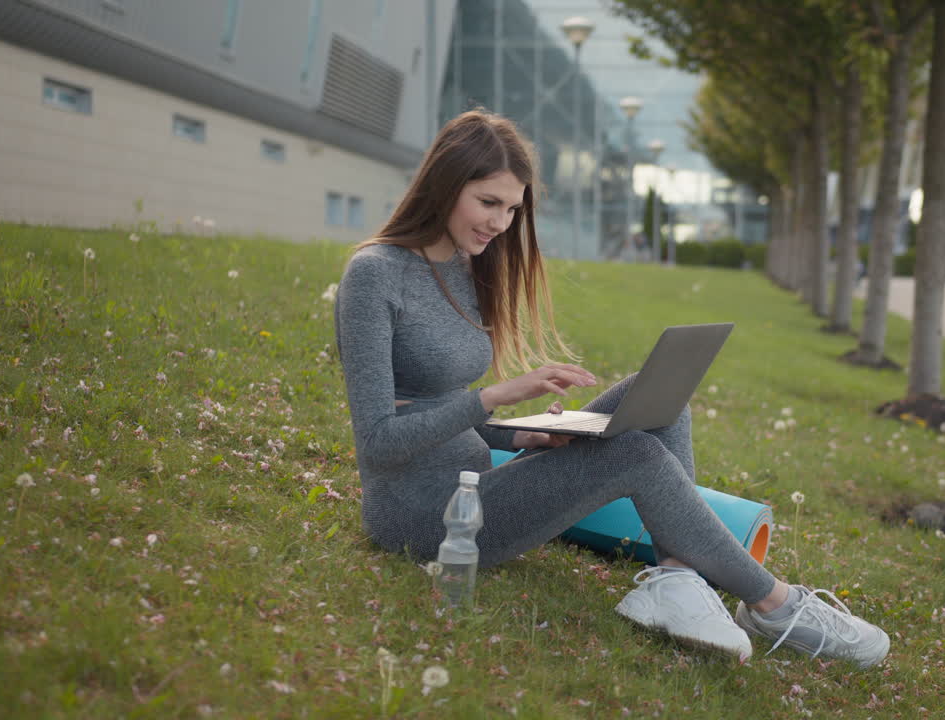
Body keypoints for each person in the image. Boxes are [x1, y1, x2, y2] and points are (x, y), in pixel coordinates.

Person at [333, 110, 889, 667]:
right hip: (427, 517)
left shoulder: (464, 262)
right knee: (635, 454)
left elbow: (439, 406)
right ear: (445, 184)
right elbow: (380, 442)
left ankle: (674, 582)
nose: (501, 223)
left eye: (512, 208)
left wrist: (523, 436)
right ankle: (775, 604)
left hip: (478, 481)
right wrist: (496, 396)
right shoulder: (375, 273)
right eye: (488, 203)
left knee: (658, 404)